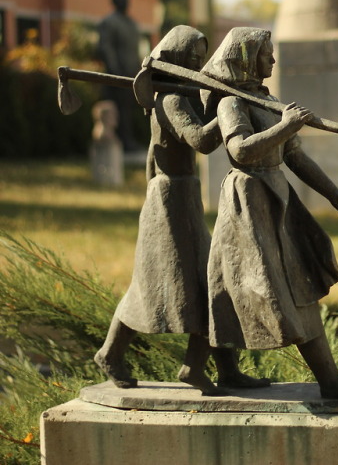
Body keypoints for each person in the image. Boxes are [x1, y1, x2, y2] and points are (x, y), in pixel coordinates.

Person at [202, 27, 338, 399]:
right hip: (248, 202)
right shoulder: (230, 103)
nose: (274, 60)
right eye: (267, 53)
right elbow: (242, 151)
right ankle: (227, 371)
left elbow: (296, 156)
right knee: (238, 286)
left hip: (277, 198)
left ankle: (329, 380)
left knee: (297, 285)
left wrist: (336, 194)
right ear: (247, 59)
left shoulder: (268, 99)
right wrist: (285, 126)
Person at [95, 25, 269, 393]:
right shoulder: (170, 100)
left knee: (209, 284)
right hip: (168, 202)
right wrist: (227, 107)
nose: (197, 63)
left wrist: (216, 102)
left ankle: (218, 368)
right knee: (159, 285)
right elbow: (200, 141)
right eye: (191, 57)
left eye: (200, 57)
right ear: (173, 58)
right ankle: (111, 353)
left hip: (184, 195)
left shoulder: (181, 96)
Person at [98, 0, 141, 152]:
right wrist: (114, 70)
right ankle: (114, 141)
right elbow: (106, 47)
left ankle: (128, 141)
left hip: (132, 73)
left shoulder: (131, 23)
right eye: (122, 1)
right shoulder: (109, 22)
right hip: (116, 74)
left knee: (127, 110)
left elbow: (135, 49)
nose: (125, 3)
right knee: (114, 111)